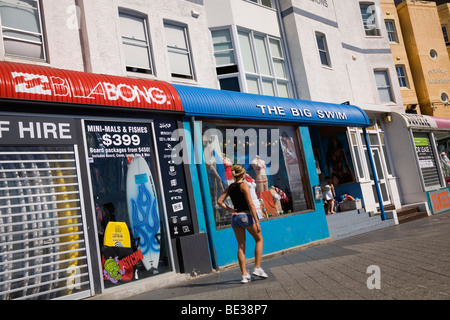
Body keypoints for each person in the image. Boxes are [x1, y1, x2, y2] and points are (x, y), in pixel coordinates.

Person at [217, 164, 268, 283]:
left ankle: (244, 275)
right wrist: (257, 220)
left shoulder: (230, 187)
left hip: (235, 218)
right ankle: (257, 267)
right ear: (243, 174)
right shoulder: (244, 185)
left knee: (241, 246)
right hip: (246, 216)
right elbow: (251, 204)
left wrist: (230, 210)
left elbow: (219, 201)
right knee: (259, 239)